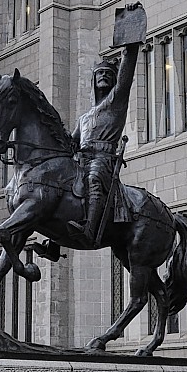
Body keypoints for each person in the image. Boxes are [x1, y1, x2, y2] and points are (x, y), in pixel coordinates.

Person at [68, 28, 143, 246]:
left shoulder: (115, 104)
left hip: (102, 160)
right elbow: (70, 144)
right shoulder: (84, 118)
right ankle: (54, 242)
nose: (104, 76)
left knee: (93, 178)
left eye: (108, 74)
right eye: (100, 73)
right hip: (81, 159)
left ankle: (89, 230)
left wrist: (129, 39)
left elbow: (125, 78)